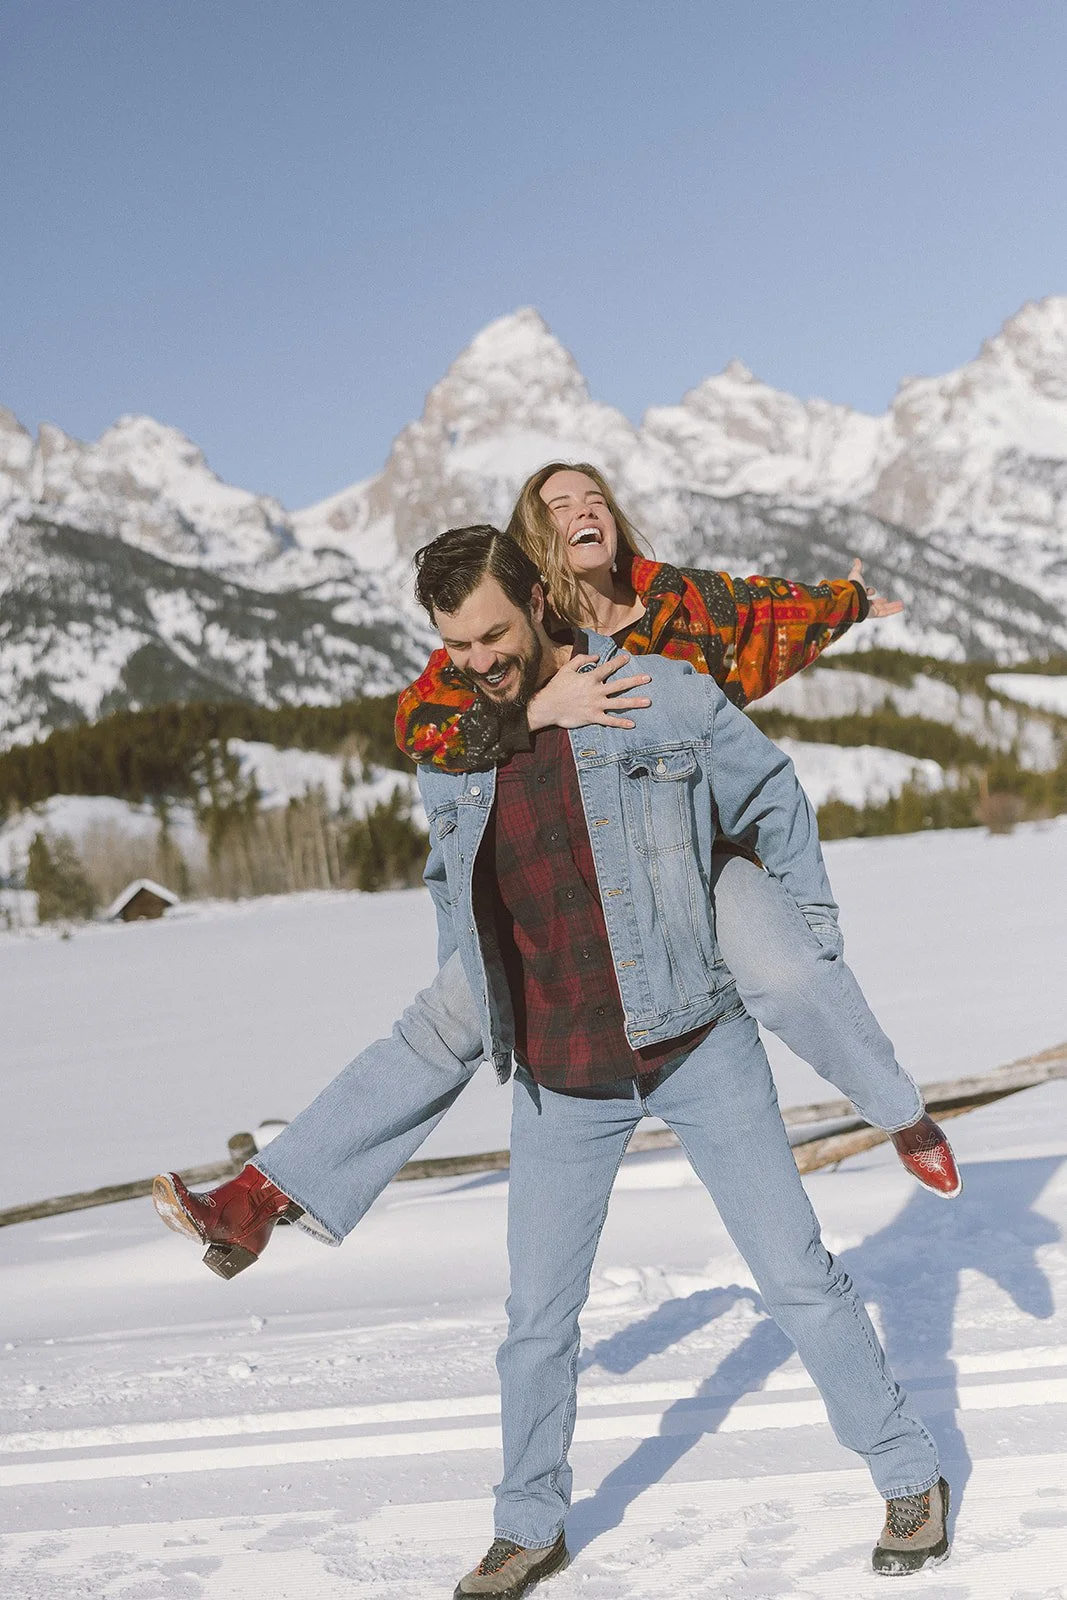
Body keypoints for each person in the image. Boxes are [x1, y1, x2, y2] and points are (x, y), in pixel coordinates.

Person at [155, 526, 952, 1586]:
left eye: (493, 632)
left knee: (795, 1277)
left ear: (535, 597)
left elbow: (768, 797)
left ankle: (906, 1472)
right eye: (456, 645)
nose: (479, 657)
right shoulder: (456, 744)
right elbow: (451, 883)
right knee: (536, 1319)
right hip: (559, 1067)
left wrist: (801, 935)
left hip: (694, 1036)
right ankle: (529, 1520)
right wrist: (471, 986)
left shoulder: (653, 693)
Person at [394, 462, 959, 1196]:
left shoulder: (676, 599)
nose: (583, 511)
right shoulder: (525, 643)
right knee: (456, 1012)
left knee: (789, 974)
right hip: (608, 859)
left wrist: (843, 601)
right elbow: (424, 725)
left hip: (708, 841)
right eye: (560, 506)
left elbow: (763, 609)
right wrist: (531, 714)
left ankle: (902, 1115)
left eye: (595, 498)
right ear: (536, 546)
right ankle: (273, 1189)